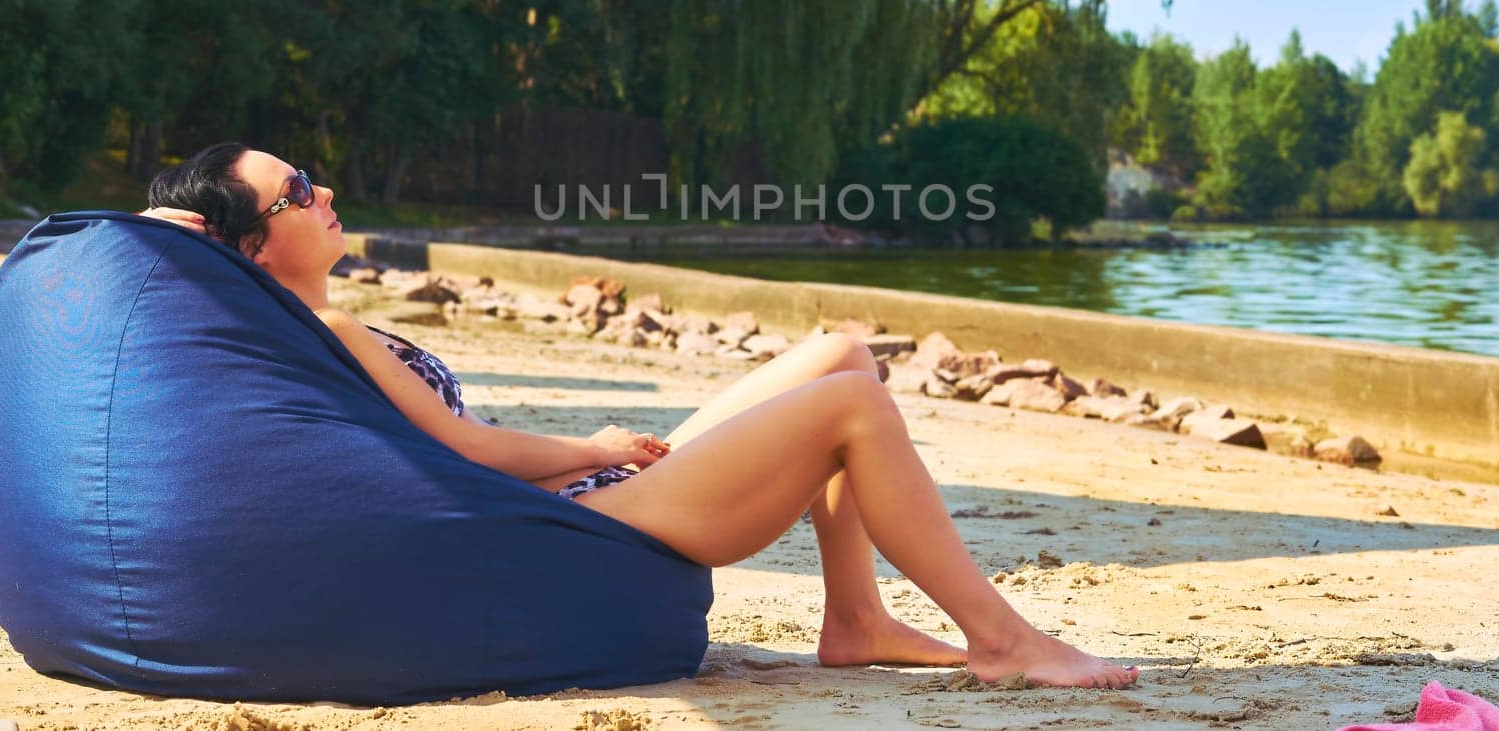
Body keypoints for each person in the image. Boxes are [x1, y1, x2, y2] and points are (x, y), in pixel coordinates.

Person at [142, 142, 1140, 690]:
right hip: (568, 513)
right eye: (298, 192)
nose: (326, 194)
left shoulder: (313, 329)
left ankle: (856, 616)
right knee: (848, 403)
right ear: (250, 245)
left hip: (571, 493)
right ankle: (1000, 637)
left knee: (840, 349)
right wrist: (595, 445)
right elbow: (462, 448)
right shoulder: (338, 330)